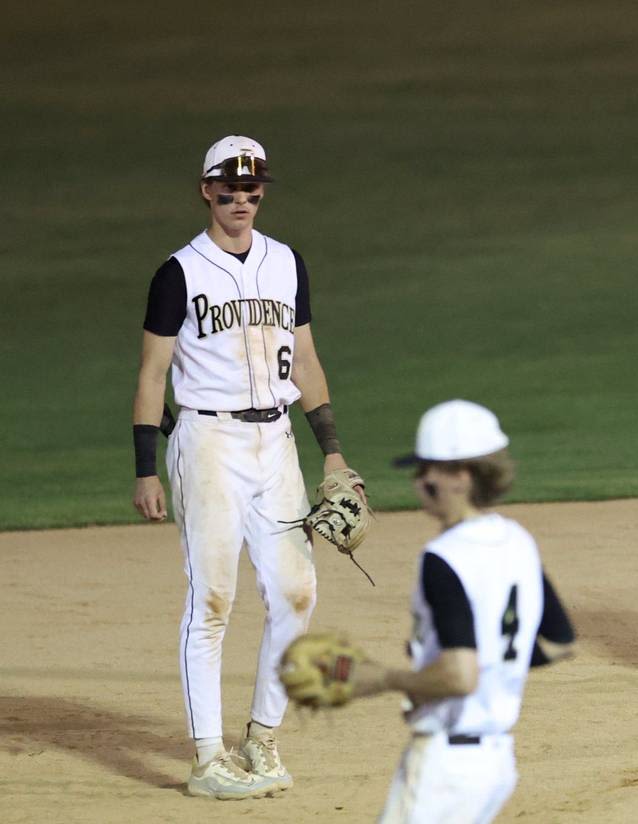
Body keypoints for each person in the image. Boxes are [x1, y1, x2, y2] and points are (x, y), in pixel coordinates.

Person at [131, 135, 364, 798]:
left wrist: (334, 451)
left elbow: (308, 359)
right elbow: (151, 375)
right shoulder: (179, 274)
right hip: (207, 445)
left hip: (278, 446)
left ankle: (261, 737)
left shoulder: (286, 263)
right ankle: (207, 759)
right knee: (212, 599)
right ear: (206, 191)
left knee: (298, 592)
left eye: (252, 191)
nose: (241, 201)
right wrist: (146, 467)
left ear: (263, 192)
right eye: (228, 191)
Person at [350, 399, 574, 823]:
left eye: (426, 471)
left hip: (444, 769)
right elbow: (557, 642)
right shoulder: (517, 540)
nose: (418, 482)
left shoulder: (443, 557)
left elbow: (459, 676)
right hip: (495, 765)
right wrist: (489, 658)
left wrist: (384, 678)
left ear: (460, 475)